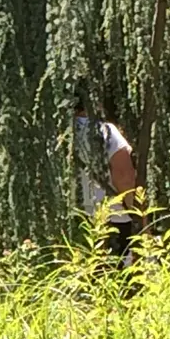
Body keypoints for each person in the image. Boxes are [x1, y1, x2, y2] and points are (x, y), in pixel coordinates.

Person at [73, 102, 139, 257]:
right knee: (117, 273)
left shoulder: (54, 134)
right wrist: (139, 216)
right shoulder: (105, 131)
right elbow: (124, 177)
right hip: (113, 217)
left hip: (75, 217)